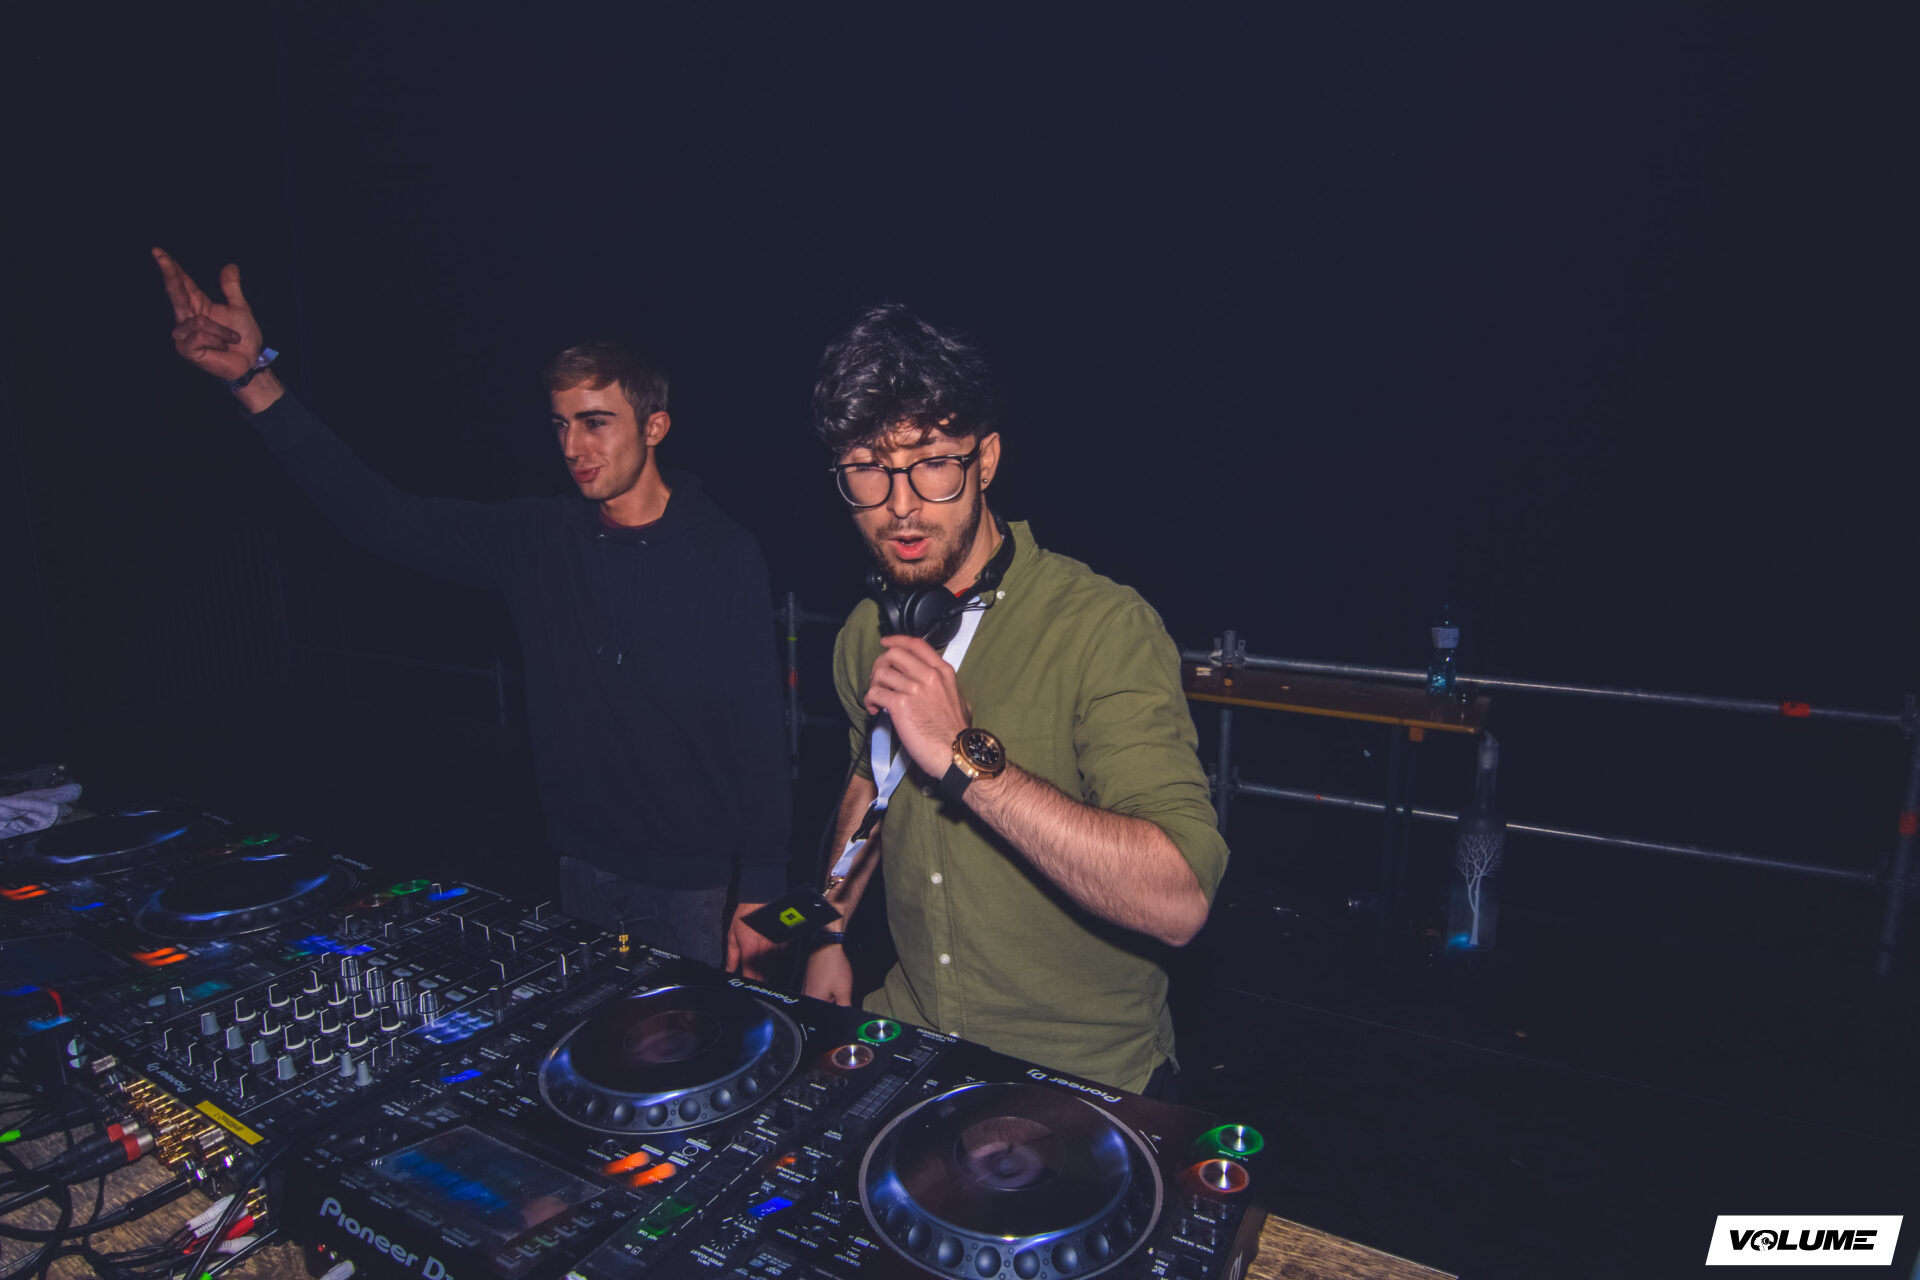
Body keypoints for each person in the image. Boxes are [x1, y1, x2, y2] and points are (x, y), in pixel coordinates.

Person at [152, 248, 790, 972]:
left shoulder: (723, 553)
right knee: (591, 1027)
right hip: (580, 867)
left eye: (595, 423)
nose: (573, 447)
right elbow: (378, 516)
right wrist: (252, 381)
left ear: (654, 427)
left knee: (696, 1037)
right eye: (560, 425)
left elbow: (756, 726)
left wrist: (764, 885)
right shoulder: (535, 538)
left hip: (692, 885)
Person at [800, 304, 1229, 1095]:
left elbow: (1179, 902)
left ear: (986, 459)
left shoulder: (1105, 627)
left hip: (1081, 1073)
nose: (900, 505)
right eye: (867, 468)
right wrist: (826, 930)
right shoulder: (867, 630)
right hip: (909, 1036)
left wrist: (965, 757)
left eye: (932, 462)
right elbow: (871, 779)